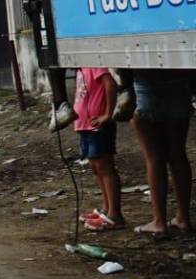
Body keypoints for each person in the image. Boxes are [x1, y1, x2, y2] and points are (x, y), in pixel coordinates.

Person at [131, 69, 192, 234]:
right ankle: (183, 218)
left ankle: (159, 221)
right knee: (178, 154)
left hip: (147, 83)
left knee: (154, 157)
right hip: (180, 81)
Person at [74, 67, 124, 231]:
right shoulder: (81, 67)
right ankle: (106, 209)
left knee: (104, 166)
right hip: (87, 125)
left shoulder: (94, 64)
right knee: (96, 168)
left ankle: (114, 214)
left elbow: (110, 84)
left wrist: (108, 114)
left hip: (98, 124)